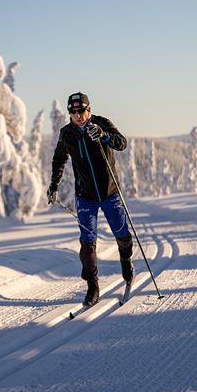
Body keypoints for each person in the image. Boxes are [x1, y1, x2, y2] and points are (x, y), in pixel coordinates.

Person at [48, 92, 134, 307]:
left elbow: (121, 143)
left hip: (109, 193)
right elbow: (59, 158)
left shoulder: (101, 123)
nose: (77, 116)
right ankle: (92, 287)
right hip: (85, 196)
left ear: (89, 109)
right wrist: (53, 185)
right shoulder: (66, 133)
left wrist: (104, 136)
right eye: (72, 112)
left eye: (80, 111)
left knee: (122, 235)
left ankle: (126, 261)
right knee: (87, 243)